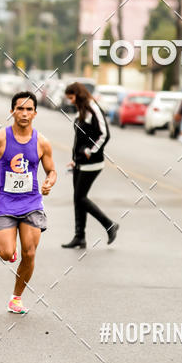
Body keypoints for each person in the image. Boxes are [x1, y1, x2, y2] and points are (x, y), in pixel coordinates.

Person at [0, 91, 56, 314]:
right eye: (20, 108)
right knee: (5, 253)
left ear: (35, 113)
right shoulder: (0, 138)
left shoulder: (42, 142)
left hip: (32, 204)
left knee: (29, 253)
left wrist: (49, 181)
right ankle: (9, 248)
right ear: (12, 111)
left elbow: (51, 170)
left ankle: (16, 298)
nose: (24, 113)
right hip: (5, 203)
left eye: (29, 109)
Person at [61, 82, 118, 250]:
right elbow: (81, 138)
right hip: (80, 162)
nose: (70, 101)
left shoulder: (93, 108)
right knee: (77, 199)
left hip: (92, 163)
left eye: (71, 97)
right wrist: (75, 159)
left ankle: (109, 225)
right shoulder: (82, 110)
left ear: (78, 94)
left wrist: (90, 151)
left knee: (80, 198)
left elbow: (104, 134)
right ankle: (79, 237)